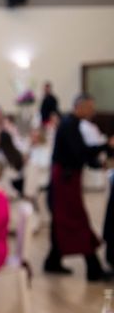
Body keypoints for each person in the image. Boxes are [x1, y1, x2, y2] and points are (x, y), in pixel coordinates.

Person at [43, 94, 114, 281]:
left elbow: (81, 154)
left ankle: (53, 261)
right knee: (76, 219)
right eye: (90, 107)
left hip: (68, 178)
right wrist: (106, 146)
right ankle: (93, 268)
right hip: (65, 180)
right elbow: (79, 152)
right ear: (79, 107)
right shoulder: (69, 125)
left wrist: (99, 161)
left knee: (63, 220)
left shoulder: (72, 123)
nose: (93, 111)